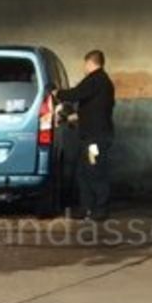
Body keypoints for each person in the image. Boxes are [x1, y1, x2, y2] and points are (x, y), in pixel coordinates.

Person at [56, 50, 117, 220]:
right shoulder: (103, 83)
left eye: (85, 64)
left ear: (90, 62)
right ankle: (86, 207)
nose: (84, 67)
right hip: (91, 136)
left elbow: (76, 93)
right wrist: (73, 117)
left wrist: (56, 93)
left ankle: (100, 210)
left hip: (94, 139)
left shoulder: (96, 80)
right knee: (83, 172)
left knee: (95, 171)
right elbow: (94, 110)